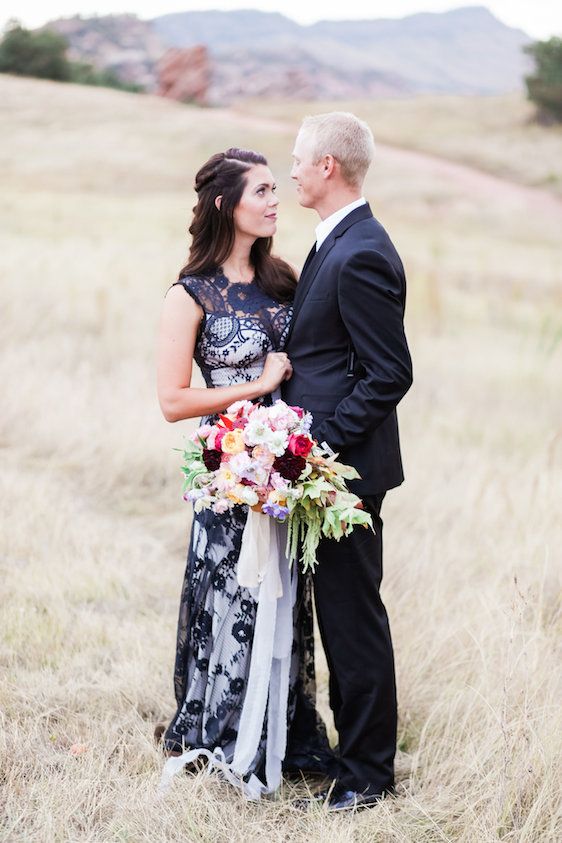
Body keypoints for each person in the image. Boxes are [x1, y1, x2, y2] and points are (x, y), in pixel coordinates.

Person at [156, 147, 332, 799]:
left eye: (275, 190)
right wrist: (253, 387)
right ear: (228, 204)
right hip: (227, 476)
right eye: (262, 191)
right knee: (230, 600)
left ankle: (282, 732)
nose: (275, 201)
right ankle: (225, 732)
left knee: (283, 598)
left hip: (284, 470)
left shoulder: (284, 280)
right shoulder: (190, 293)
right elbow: (172, 400)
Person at [283, 112, 413, 810]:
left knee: (353, 619)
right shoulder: (336, 239)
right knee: (337, 615)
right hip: (330, 470)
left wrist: (320, 445)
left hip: (346, 475)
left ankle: (367, 776)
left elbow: (389, 372)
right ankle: (344, 754)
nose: (293, 169)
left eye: (300, 159)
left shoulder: (362, 249)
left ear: (329, 165)